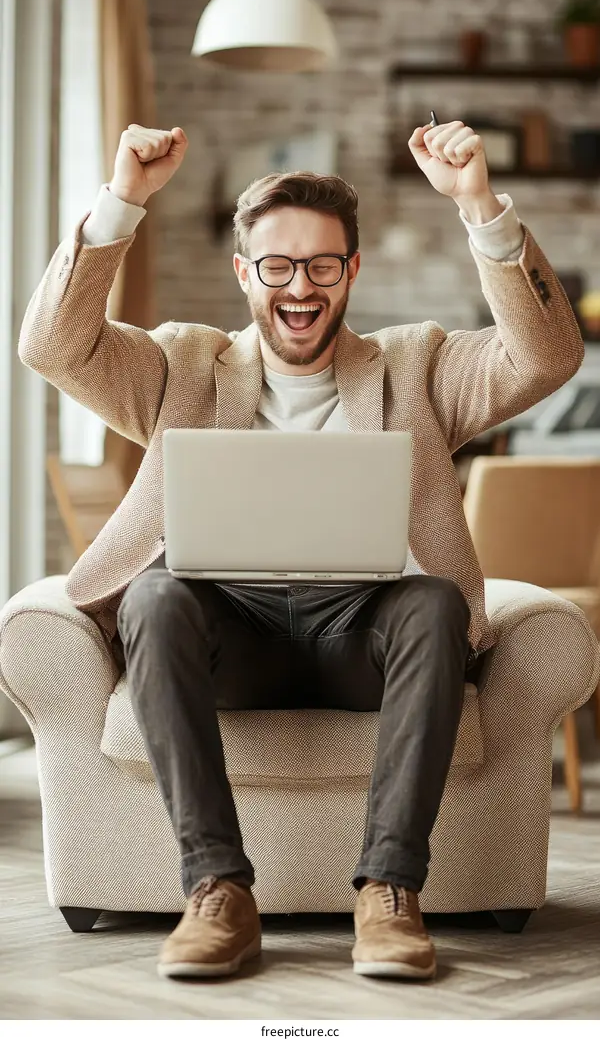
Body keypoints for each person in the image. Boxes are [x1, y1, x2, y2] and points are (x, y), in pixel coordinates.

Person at [19, 118, 583, 982]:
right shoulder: (182, 365)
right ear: (245, 272)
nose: (300, 286)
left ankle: (390, 891)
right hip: (228, 637)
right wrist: (122, 203)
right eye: (277, 265)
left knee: (431, 602)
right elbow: (51, 347)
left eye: (323, 264)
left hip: (366, 634)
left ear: (351, 270)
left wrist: (479, 204)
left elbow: (547, 357)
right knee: (155, 596)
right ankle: (216, 891)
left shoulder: (420, 364)